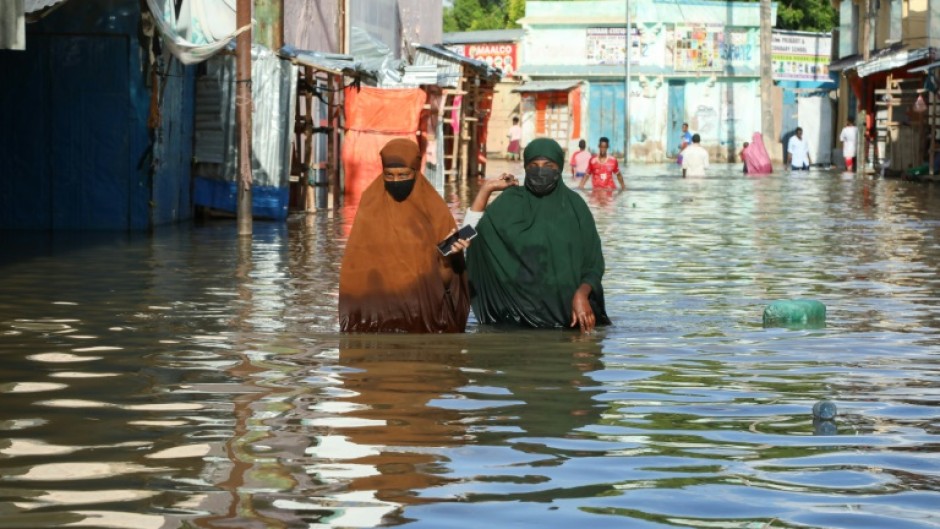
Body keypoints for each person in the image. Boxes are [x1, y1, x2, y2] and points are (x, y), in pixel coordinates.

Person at [463, 138, 610, 333]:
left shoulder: (575, 207)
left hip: (569, 322)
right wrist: (486, 189)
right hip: (513, 322)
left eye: (548, 165)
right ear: (525, 168)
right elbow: (464, 238)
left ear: (559, 167)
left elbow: (594, 264)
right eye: (533, 166)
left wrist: (582, 294)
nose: (540, 171)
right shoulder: (510, 202)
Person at [339, 138, 471, 333]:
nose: (395, 181)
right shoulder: (370, 203)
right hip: (376, 320)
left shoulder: (435, 210)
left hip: (425, 320)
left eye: (403, 175)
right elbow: (356, 268)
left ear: (415, 171)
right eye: (389, 175)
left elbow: (447, 281)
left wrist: (449, 257)